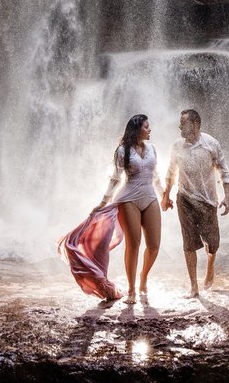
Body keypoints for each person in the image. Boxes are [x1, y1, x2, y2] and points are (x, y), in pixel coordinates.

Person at [59, 114, 163, 304]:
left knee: (154, 246)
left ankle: (143, 277)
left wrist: (164, 195)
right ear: (137, 129)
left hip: (150, 198)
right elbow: (115, 179)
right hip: (129, 198)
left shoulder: (152, 149)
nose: (150, 130)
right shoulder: (122, 150)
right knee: (134, 245)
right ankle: (132, 289)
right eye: (146, 127)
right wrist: (103, 202)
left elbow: (155, 175)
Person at [161, 108, 229, 298]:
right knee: (189, 243)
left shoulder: (211, 144)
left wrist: (227, 197)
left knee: (212, 243)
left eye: (183, 123)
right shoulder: (177, 146)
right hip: (184, 198)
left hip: (208, 200)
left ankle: (210, 267)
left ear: (195, 124)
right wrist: (166, 195)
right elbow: (170, 172)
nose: (179, 126)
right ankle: (193, 286)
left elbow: (223, 170)